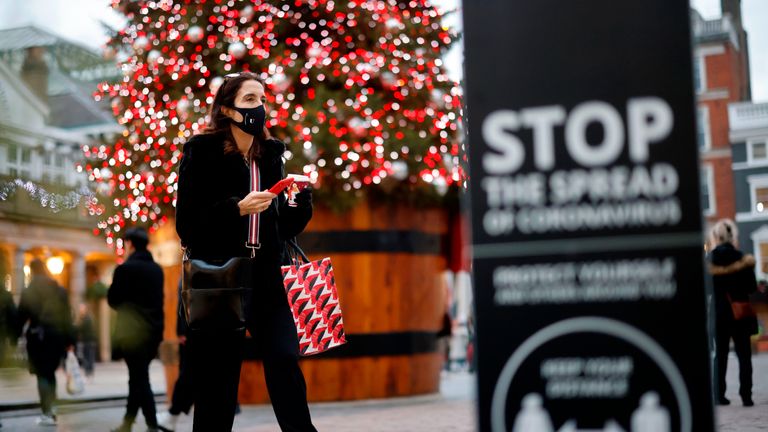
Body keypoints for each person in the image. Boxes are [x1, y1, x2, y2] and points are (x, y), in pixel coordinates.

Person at [175, 71, 316, 431]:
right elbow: (187, 225)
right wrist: (236, 208)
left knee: (285, 360)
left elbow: (283, 228)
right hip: (222, 278)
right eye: (250, 100)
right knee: (219, 382)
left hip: (268, 277)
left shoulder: (269, 156)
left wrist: (301, 204)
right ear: (227, 109)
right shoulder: (201, 152)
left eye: (262, 100)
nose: (260, 108)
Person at [108, 227, 165, 432]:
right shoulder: (157, 270)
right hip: (153, 332)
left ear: (130, 243)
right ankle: (128, 422)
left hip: (131, 333)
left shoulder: (124, 270)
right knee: (138, 376)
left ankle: (151, 424)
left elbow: (113, 300)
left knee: (139, 377)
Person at [16, 259, 75, 426]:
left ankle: (47, 412)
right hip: (57, 338)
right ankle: (52, 407)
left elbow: (21, 316)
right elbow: (67, 318)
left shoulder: (29, 291)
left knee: (42, 374)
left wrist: (14, 335)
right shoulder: (60, 290)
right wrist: (70, 340)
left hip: (38, 338)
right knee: (50, 373)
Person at [708, 219, 758, 407]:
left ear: (716, 236)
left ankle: (719, 395)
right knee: (744, 355)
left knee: (719, 355)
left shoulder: (709, 260)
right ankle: (747, 396)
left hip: (719, 313)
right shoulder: (742, 258)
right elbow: (752, 287)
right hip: (739, 314)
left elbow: (706, 289)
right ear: (732, 236)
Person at [76, 303, 97, 379]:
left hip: (89, 340)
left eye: (82, 309)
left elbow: (81, 328)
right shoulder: (84, 318)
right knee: (86, 356)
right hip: (86, 340)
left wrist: (77, 326)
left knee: (89, 357)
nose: (80, 311)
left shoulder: (87, 319)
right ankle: (88, 372)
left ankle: (89, 372)